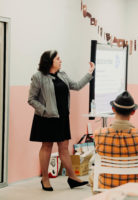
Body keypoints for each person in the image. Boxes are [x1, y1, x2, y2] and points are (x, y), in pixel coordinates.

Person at [28, 50, 94, 191]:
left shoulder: (62, 75)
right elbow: (31, 99)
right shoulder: (38, 77)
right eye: (58, 58)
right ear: (50, 61)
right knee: (47, 147)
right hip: (47, 118)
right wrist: (44, 111)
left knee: (64, 148)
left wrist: (89, 73)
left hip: (62, 118)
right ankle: (45, 179)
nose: (60, 60)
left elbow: (76, 86)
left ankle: (72, 177)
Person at [92, 91, 138, 190]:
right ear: (133, 112)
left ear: (113, 109)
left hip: (107, 186)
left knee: (92, 174)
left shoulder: (99, 133)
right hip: (135, 186)